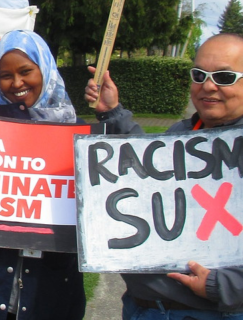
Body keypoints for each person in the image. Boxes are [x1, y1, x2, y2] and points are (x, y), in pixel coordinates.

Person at [0, 29, 142, 320]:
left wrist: (113, 113)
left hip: (48, 299)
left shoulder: (78, 135)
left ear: (46, 68)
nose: (16, 83)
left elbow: (139, 175)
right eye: (6, 74)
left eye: (26, 71)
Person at [84, 32, 243, 320]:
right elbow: (144, 169)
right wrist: (113, 112)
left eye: (224, 77)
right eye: (199, 74)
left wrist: (222, 286)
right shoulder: (181, 135)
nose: (208, 85)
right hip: (140, 308)